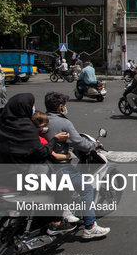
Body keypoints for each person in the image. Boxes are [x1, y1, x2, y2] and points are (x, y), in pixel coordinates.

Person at [0, 93, 75, 235]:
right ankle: (56, 221)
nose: (33, 109)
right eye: (31, 106)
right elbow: (40, 152)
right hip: (20, 175)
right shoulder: (25, 127)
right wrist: (54, 141)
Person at [44, 92, 110, 238]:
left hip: (45, 164)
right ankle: (90, 227)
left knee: (65, 189)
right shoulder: (63, 123)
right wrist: (94, 145)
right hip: (59, 165)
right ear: (61, 107)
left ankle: (65, 212)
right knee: (86, 189)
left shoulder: (41, 120)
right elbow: (79, 143)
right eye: (65, 106)